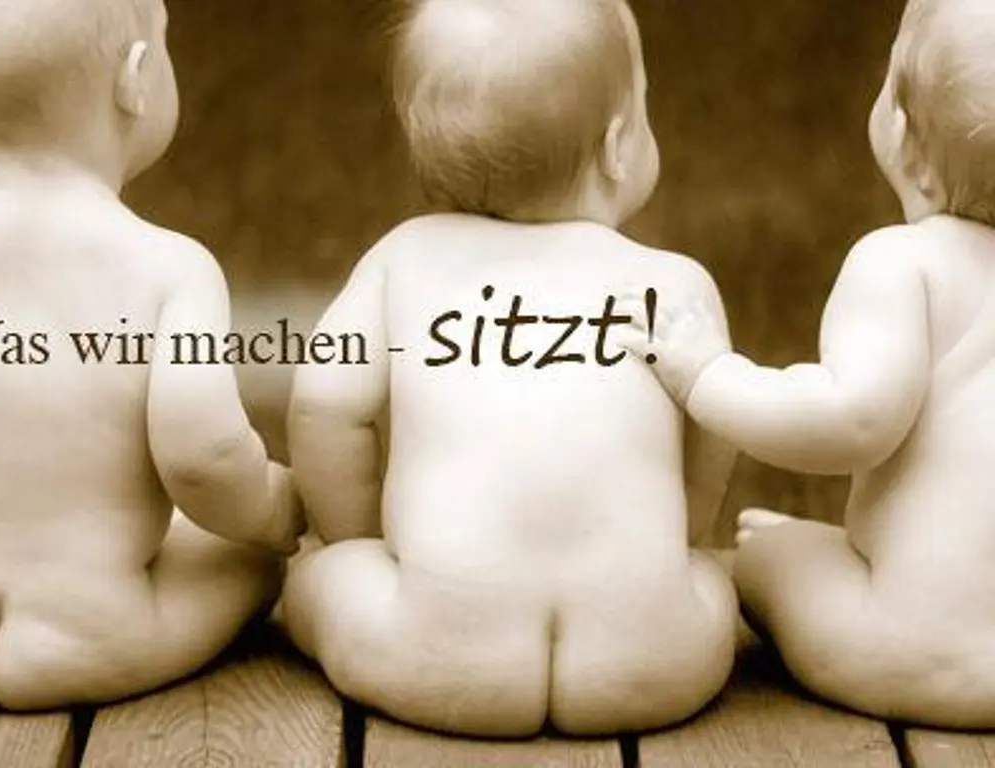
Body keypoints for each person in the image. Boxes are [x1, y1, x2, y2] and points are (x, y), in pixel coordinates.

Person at [281, 0, 738, 737]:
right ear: (617, 146)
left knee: (313, 579)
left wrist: (356, 540)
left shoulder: (405, 259)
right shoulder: (675, 285)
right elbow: (717, 426)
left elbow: (323, 401)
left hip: (438, 660)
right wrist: (685, 540)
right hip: (651, 665)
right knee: (715, 579)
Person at [620, 0, 995, 729]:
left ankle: (798, 558)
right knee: (816, 545)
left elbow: (851, 422)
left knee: (764, 557)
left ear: (902, 134)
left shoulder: (906, 265)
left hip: (919, 652)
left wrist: (708, 375)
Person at [0, 0, 304, 713]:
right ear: (137, 77)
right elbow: (205, 459)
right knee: (251, 562)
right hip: (93, 637)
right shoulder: (167, 269)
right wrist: (277, 510)